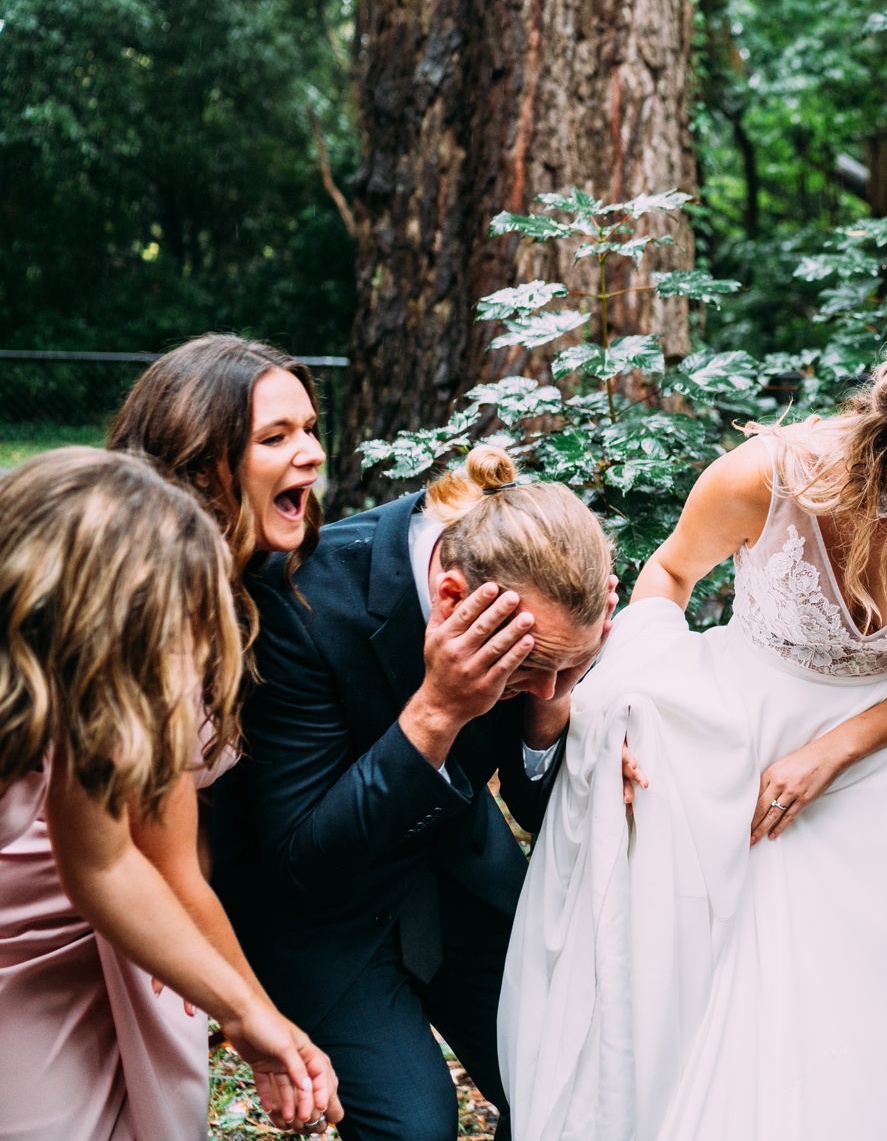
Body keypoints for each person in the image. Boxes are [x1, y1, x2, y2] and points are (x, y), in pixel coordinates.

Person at [500, 331, 887, 1141]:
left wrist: (833, 750)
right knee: (742, 1011)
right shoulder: (771, 479)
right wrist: (618, 708)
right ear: (886, 461)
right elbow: (669, 576)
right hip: (743, 755)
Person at [208, 445, 617, 1141]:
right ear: (454, 598)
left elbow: (537, 808)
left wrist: (553, 709)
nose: (548, 690)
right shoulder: (298, 597)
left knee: (574, 1082)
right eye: (535, 670)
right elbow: (305, 856)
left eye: (570, 667)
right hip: (327, 919)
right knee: (414, 1129)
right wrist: (437, 712)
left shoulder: (547, 601)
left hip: (465, 876)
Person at [0, 448, 340, 1140]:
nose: (185, 650)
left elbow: (104, 864)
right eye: (173, 620)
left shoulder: (78, 704)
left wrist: (248, 1015)